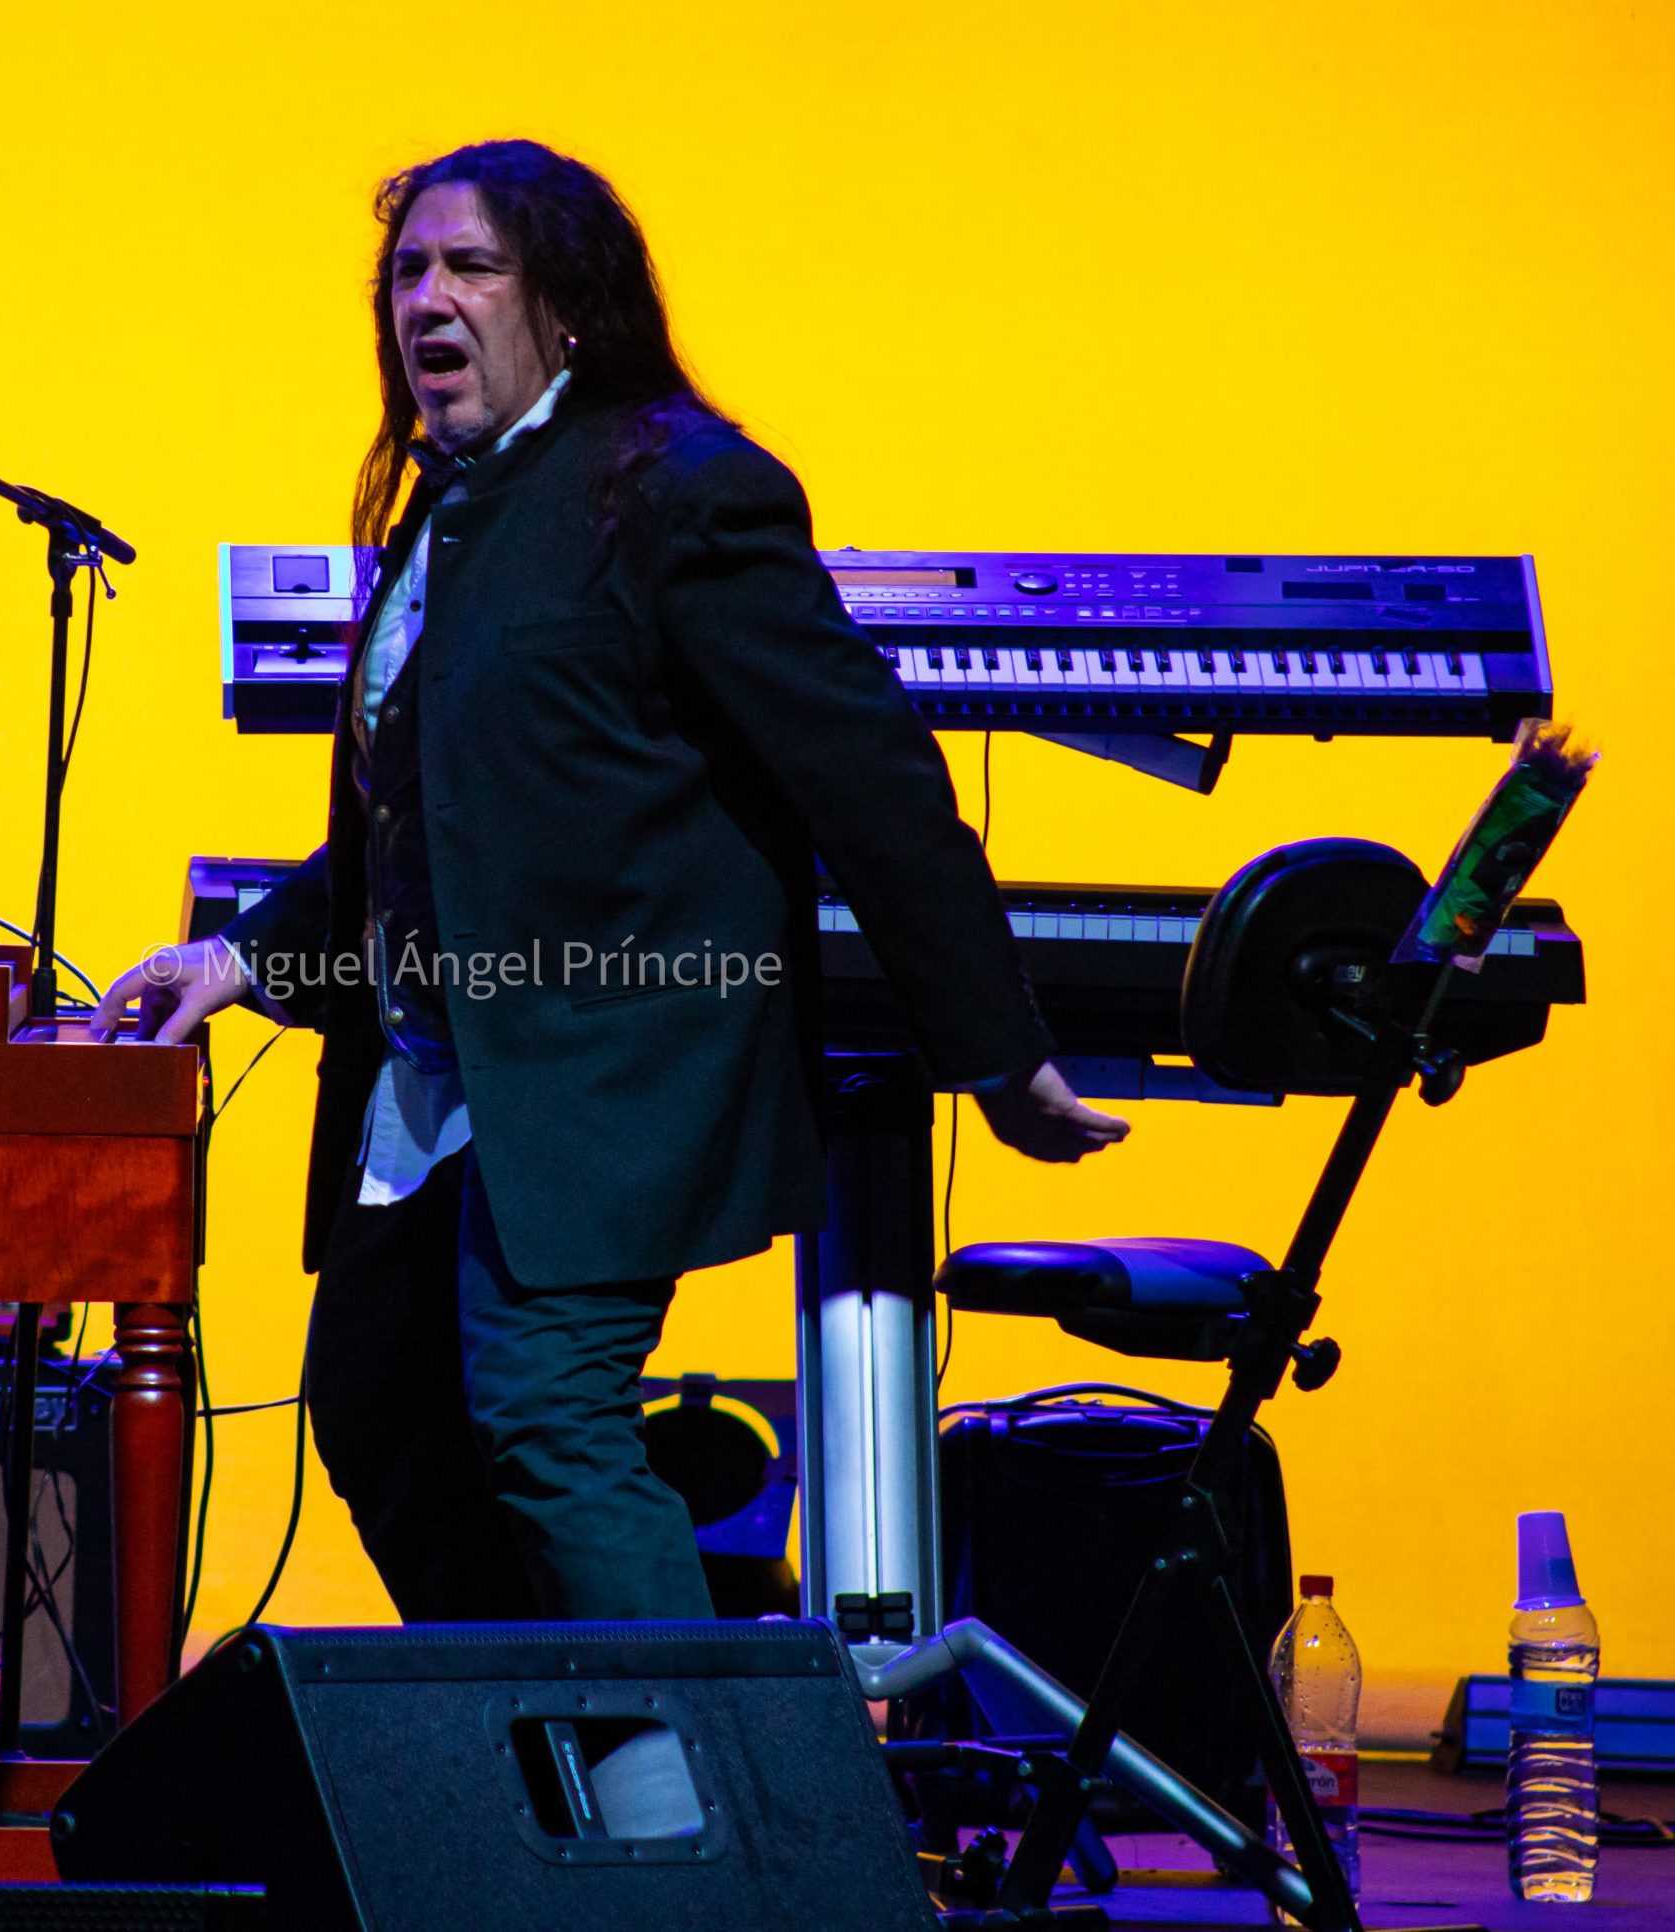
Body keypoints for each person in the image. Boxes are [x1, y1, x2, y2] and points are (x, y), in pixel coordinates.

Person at [90, 139, 1128, 1623]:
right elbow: (424, 825)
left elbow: (871, 779)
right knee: (383, 1411)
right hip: (441, 1071)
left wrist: (997, 1051)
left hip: (608, 1066)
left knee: (549, 1414)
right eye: (406, 273)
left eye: (471, 266)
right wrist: (245, 956)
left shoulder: (679, 490)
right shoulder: (449, 515)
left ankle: (671, 1765)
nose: (426, 300)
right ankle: (536, 1739)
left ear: (567, 304)